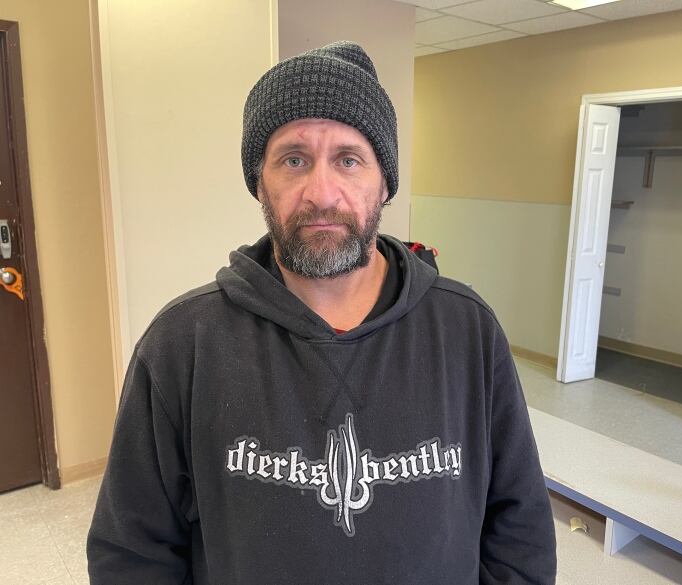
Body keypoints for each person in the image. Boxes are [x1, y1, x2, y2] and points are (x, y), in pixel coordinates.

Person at [87, 41, 556, 585]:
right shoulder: (183, 344)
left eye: (349, 160)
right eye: (294, 160)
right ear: (258, 180)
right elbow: (132, 553)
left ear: (385, 182)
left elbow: (518, 527)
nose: (322, 192)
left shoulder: (466, 330)